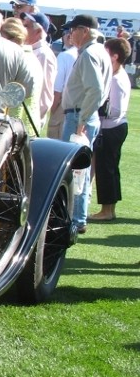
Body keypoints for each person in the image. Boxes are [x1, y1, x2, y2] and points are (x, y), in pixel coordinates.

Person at [61, 14, 113, 234]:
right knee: (79, 169)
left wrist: (82, 119)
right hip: (83, 115)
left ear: (83, 30)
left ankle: (74, 219)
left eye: (72, 30)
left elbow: (96, 89)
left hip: (79, 117)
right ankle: (77, 218)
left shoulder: (90, 53)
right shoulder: (98, 51)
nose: (69, 35)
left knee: (74, 170)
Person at [91, 37, 131, 221]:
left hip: (111, 128)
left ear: (114, 56)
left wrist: (97, 109)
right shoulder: (117, 75)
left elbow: (114, 110)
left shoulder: (116, 79)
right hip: (114, 127)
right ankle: (109, 209)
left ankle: (107, 210)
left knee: (106, 169)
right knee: (109, 169)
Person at [0, 17, 42, 125]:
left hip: (18, 124)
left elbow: (16, 97)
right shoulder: (30, 57)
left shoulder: (20, 59)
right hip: (27, 121)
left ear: (12, 39)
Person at [21, 11, 57, 130]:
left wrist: (34, 118)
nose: (22, 28)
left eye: (26, 26)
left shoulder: (43, 54)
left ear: (38, 31)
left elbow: (45, 93)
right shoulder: (32, 51)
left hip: (29, 119)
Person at [48, 23, 78, 139]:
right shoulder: (84, 53)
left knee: (56, 140)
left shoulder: (65, 56)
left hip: (64, 103)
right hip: (80, 105)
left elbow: (58, 88)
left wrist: (53, 109)